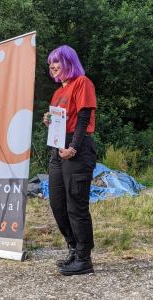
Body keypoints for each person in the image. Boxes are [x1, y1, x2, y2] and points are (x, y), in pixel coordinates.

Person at [43, 45, 97, 276]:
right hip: (58, 149)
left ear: (68, 62)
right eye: (50, 63)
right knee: (58, 204)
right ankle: (73, 249)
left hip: (77, 147)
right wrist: (49, 120)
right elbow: (60, 121)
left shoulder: (82, 82)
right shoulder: (58, 92)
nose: (52, 66)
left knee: (76, 206)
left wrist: (73, 147)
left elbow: (84, 116)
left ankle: (84, 259)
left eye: (56, 61)